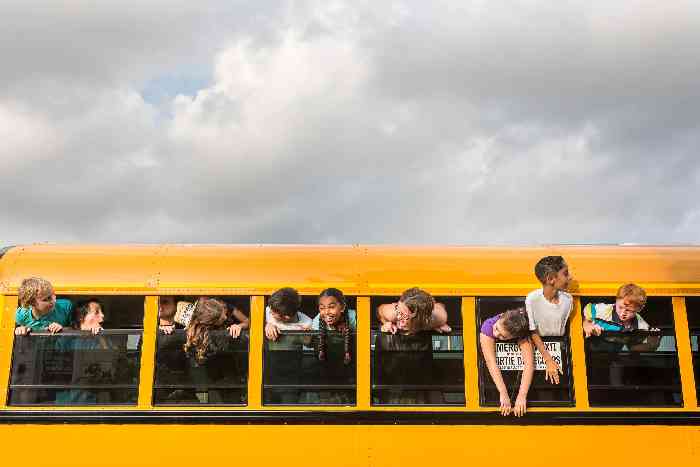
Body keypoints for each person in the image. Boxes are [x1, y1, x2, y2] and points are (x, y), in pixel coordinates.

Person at [526, 256, 573, 385]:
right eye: (565, 273)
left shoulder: (568, 300)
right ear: (550, 279)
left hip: (562, 352)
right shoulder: (532, 300)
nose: (570, 277)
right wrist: (548, 359)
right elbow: (532, 331)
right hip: (540, 354)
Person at [479, 308, 534, 417]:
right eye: (497, 328)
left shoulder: (521, 332)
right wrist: (503, 393)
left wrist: (522, 395)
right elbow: (491, 362)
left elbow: (529, 364)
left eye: (502, 336)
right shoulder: (489, 326)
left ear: (514, 337)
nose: (495, 334)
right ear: (501, 317)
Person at [582, 283, 660, 350]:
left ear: (639, 309)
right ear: (616, 301)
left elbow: (633, 348)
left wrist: (652, 345)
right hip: (589, 346)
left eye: (629, 310)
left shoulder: (641, 326)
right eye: (620, 307)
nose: (623, 313)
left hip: (612, 354)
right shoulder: (605, 310)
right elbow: (588, 308)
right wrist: (587, 323)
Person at [376, 287, 451, 335]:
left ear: (419, 318)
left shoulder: (437, 318)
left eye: (405, 316)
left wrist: (433, 326)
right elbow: (379, 310)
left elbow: (441, 307)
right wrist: (386, 323)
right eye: (398, 310)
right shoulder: (392, 313)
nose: (399, 316)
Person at [312, 288, 356, 364]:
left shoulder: (353, 317)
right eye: (322, 308)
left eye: (331, 307)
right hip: (327, 362)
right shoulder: (316, 322)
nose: (326, 312)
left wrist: (347, 327)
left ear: (342, 307)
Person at [171, 297, 249, 338]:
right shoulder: (197, 327)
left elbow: (248, 321)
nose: (225, 317)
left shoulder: (226, 307)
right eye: (221, 319)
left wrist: (239, 326)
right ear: (210, 322)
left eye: (225, 313)